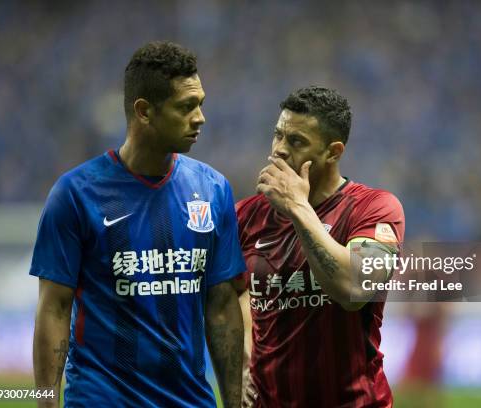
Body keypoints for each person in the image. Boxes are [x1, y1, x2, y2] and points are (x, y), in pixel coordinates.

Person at [30, 41, 244, 408]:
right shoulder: (75, 194)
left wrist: (235, 402)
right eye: (186, 106)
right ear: (144, 111)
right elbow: (54, 308)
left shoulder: (213, 190)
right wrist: (46, 403)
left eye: (201, 104)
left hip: (189, 400)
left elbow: (222, 306)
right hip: (102, 398)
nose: (200, 117)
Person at [236, 86, 405, 407]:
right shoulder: (246, 215)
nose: (280, 150)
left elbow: (354, 287)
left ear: (333, 151)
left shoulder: (374, 209)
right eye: (278, 136)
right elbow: (235, 295)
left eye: (296, 141)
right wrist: (243, 362)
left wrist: (298, 207)